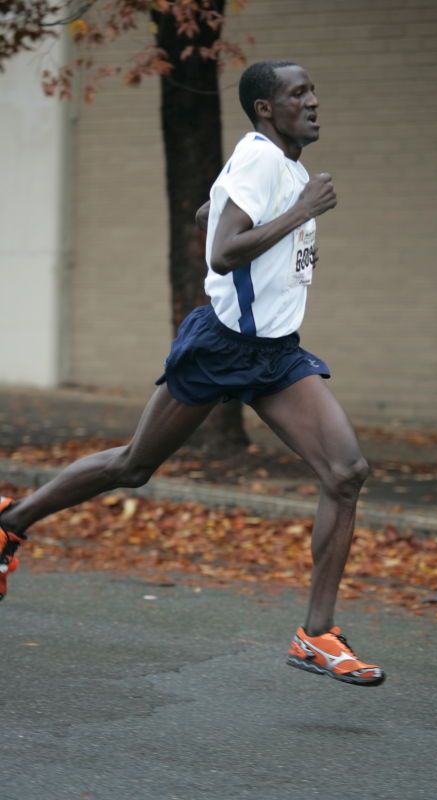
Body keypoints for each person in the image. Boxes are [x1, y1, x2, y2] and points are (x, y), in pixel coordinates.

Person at [0, 60, 385, 687]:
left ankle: (315, 634)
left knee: (347, 472)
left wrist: (239, 205)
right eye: (298, 93)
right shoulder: (262, 158)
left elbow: (212, 217)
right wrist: (302, 210)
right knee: (133, 466)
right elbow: (222, 248)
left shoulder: (278, 167)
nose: (314, 101)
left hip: (276, 354)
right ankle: (9, 524)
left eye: (314, 90)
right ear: (266, 108)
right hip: (223, 347)